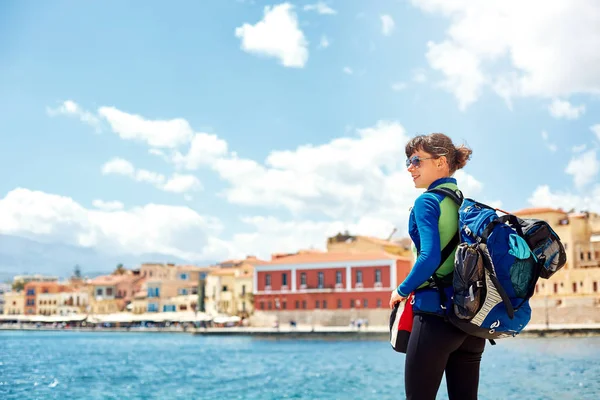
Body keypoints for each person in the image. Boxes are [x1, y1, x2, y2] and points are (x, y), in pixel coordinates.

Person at [389, 133, 484, 400]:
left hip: (434, 317)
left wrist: (402, 290)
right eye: (409, 161)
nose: (410, 168)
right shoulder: (463, 203)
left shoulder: (427, 201)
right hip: (470, 321)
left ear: (441, 162)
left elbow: (429, 257)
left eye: (416, 161)